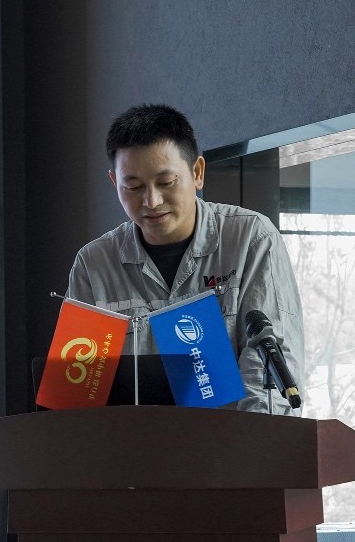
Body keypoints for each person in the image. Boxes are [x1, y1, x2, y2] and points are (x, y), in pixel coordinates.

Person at [66, 104, 304, 415]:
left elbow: (268, 380)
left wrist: (244, 445)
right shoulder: (93, 264)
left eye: (166, 182)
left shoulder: (251, 239)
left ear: (197, 172)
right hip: (131, 444)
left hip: (230, 442)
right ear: (115, 183)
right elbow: (78, 393)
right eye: (133, 187)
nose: (151, 201)